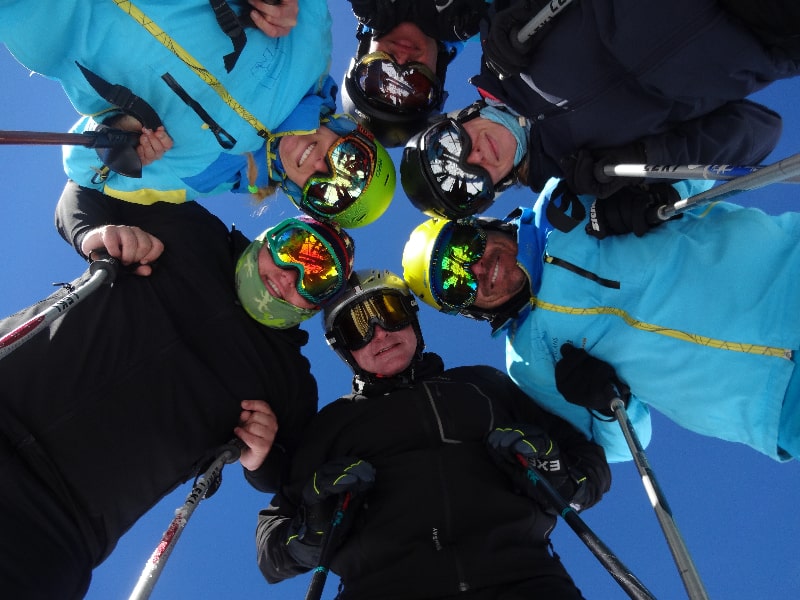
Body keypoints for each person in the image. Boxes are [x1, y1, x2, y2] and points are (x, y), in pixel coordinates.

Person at [0, 180, 356, 599]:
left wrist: (260, 456)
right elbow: (85, 186)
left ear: (318, 304)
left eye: (317, 281)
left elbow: (287, 476)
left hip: (58, 525)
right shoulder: (190, 228)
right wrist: (94, 233)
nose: (290, 276)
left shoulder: (290, 382)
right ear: (270, 237)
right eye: (293, 250)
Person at [254, 269, 611, 599]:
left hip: (523, 580)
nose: (379, 332)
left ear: (412, 317)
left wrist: (554, 470)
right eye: (356, 327)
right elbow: (271, 554)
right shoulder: (331, 425)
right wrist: (313, 529)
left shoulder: (484, 384)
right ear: (344, 349)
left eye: (389, 312)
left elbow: (589, 467)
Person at [402, 177, 800, 463]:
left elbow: (695, 162)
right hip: (772, 406)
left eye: (463, 247)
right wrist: (604, 408)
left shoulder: (566, 195)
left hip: (786, 273)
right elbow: (623, 447)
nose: (475, 268)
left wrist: (661, 191)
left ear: (482, 225)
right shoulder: (528, 362)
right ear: (468, 310)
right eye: (456, 284)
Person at [0, 1, 396, 229]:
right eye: (350, 161)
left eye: (326, 193)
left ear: (299, 196)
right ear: (351, 131)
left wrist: (119, 139)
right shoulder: (310, 50)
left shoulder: (201, 176)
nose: (323, 168)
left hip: (40, 18)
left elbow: (81, 166)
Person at [399, 0, 799, 220]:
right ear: (495, 190)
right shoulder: (594, 169)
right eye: (469, 184)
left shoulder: (506, 42)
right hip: (772, 34)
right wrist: (648, 158)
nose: (474, 159)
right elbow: (760, 131)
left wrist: (519, 6)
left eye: (449, 149)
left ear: (454, 120)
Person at [341, 0, 489, 147]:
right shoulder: (492, 21)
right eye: (414, 81)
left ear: (364, 53)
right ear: (438, 72)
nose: (401, 58)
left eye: (382, 70)